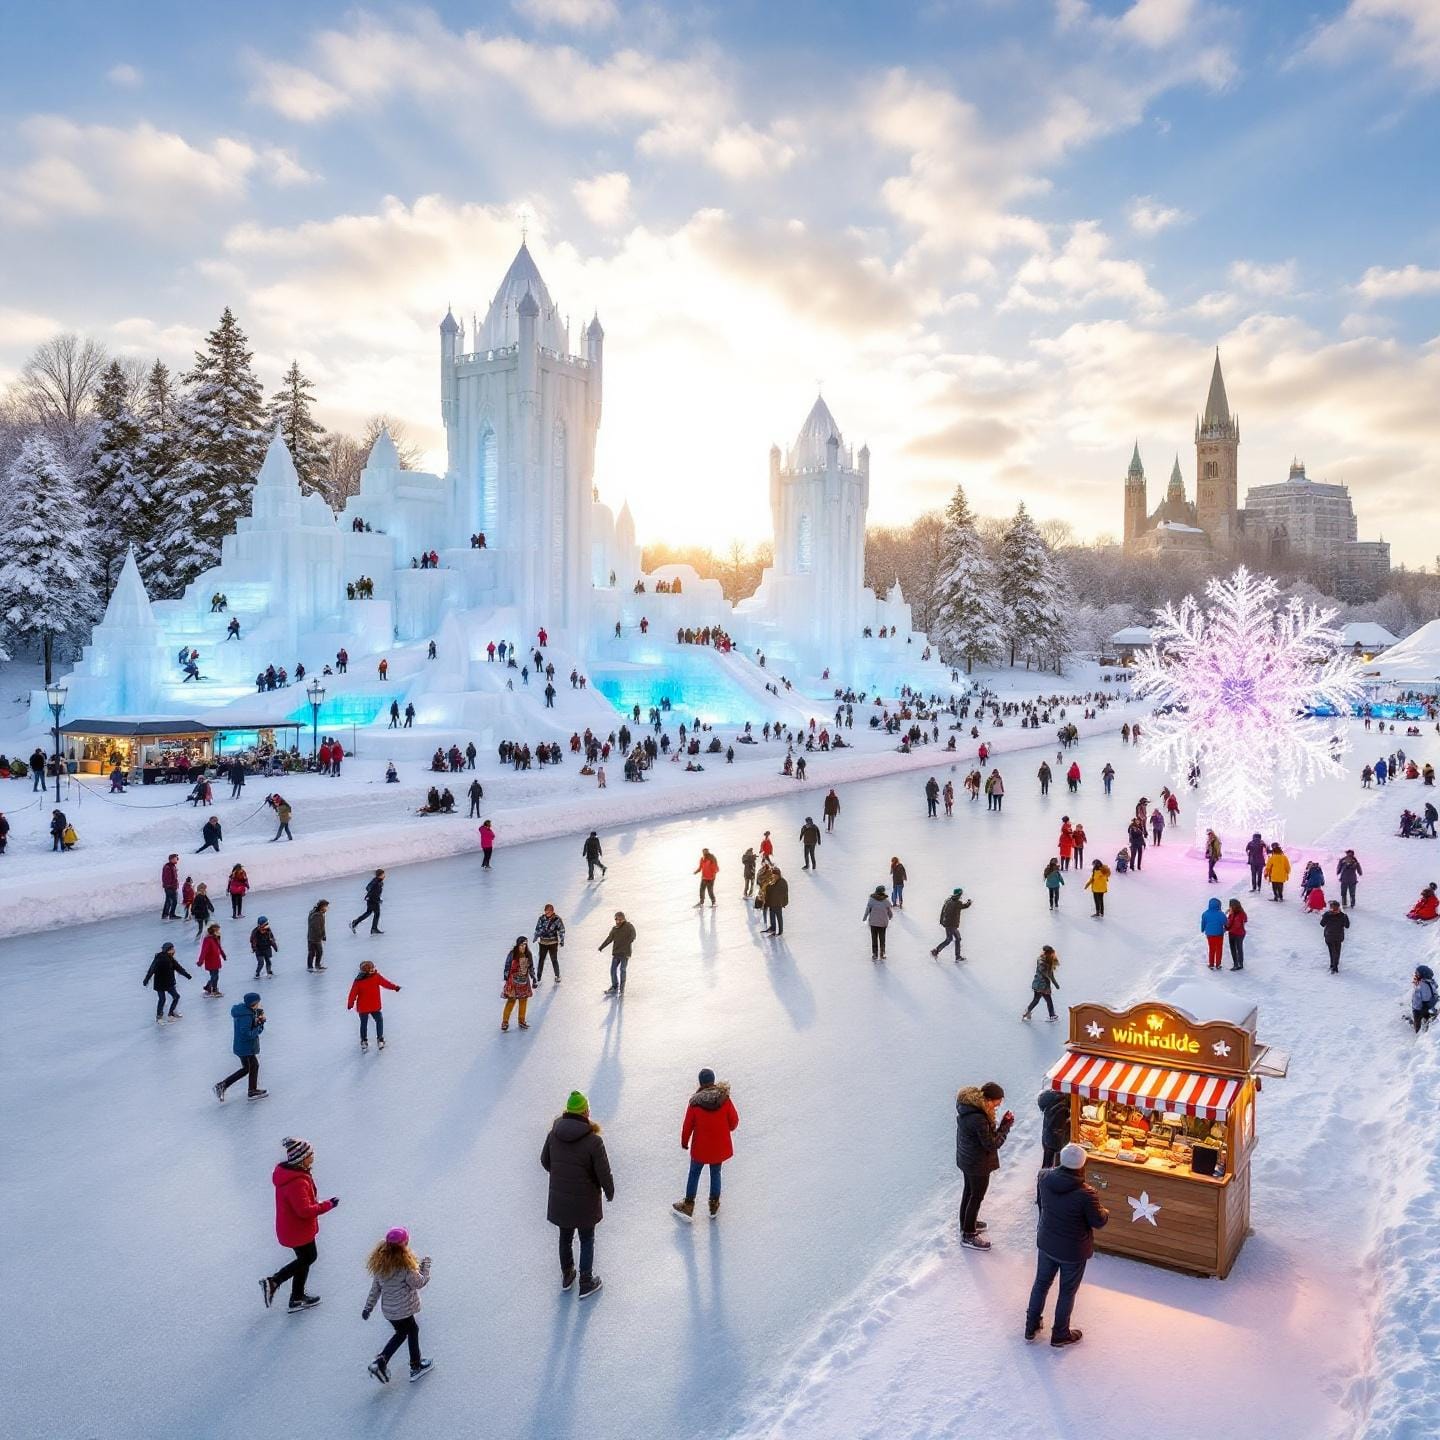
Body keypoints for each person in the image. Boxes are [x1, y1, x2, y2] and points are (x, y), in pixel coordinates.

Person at [1025, 1143, 1109, 1348]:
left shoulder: (1044, 1178)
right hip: (1073, 1251)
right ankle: (1060, 1333)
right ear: (1081, 1166)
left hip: (1047, 1242)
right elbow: (1098, 1221)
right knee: (1067, 1291)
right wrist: (1105, 1211)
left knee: (1041, 1284)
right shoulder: (1086, 1194)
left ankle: (1031, 1326)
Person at [540, 1091, 614, 1299]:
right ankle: (586, 1281)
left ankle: (567, 1275)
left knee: (565, 1237)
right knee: (587, 1238)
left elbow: (545, 1161)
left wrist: (561, 1177)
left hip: (561, 1199)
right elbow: (602, 1172)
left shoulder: (553, 1135)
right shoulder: (593, 1141)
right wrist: (609, 1191)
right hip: (585, 1200)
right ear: (583, 1112)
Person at [259, 1138, 337, 1314]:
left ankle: (296, 1297)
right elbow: (304, 1211)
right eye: (310, 1154)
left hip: (291, 1228)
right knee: (308, 1257)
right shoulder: (297, 1182)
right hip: (297, 1231)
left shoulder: (293, 1175)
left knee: (305, 1259)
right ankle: (274, 1281)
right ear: (302, 1158)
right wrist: (328, 1205)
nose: (313, 1156)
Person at [364, 1228, 434, 1384]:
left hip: (390, 1312)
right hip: (404, 1310)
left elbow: (375, 1288)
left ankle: (381, 1361)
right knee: (412, 1330)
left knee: (402, 1333)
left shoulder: (382, 1265)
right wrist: (426, 1267)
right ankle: (415, 1366)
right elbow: (419, 1283)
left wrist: (368, 1307)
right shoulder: (405, 1267)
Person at [672, 1068, 740, 1221]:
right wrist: (724, 1129)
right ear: (713, 1080)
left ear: (700, 1082)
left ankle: (688, 1205)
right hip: (719, 1148)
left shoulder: (695, 1103)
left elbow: (687, 1125)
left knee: (694, 1173)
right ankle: (714, 1204)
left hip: (700, 1149)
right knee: (715, 1173)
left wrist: (684, 1142)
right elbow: (734, 1122)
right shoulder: (724, 1099)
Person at [954, 1080, 1014, 1249]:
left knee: (969, 1192)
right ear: (988, 1099)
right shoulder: (979, 1118)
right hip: (977, 1163)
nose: (998, 1105)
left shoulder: (969, 1110)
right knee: (976, 1196)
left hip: (967, 1159)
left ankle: (966, 1224)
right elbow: (991, 1144)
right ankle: (968, 1235)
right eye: (997, 1102)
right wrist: (1005, 1126)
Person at [214, 991, 267, 1101]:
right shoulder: (246, 1016)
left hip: (242, 1047)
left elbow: (249, 1028)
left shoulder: (245, 1011)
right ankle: (251, 1091)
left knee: (247, 1068)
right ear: (253, 1003)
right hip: (246, 1048)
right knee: (253, 1066)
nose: (259, 1005)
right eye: (258, 1003)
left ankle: (222, 1086)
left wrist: (257, 1021)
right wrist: (260, 1026)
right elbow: (247, 1034)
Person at [349, 959, 400, 1049]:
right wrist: (394, 987)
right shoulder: (376, 977)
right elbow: (386, 983)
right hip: (374, 1006)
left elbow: (353, 993)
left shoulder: (358, 981)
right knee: (379, 1020)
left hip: (363, 1007)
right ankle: (380, 1039)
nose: (374, 969)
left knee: (364, 1023)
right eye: (372, 968)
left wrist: (350, 1004)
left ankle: (364, 1041)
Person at [143, 941, 191, 1024]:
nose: (174, 950)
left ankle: (171, 1014)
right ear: (168, 950)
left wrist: (187, 975)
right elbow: (152, 969)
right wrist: (146, 979)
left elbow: (178, 968)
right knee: (162, 999)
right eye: (172, 949)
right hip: (160, 984)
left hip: (169, 983)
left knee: (176, 997)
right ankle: (159, 1017)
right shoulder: (159, 959)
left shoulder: (170, 958)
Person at [501, 938, 535, 1031]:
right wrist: (506, 977)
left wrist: (533, 978)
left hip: (523, 982)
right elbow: (507, 966)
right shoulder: (512, 954)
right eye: (521, 945)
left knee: (523, 1001)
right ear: (517, 945)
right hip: (513, 982)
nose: (523, 947)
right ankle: (505, 1022)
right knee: (511, 1001)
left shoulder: (528, 954)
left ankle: (521, 1021)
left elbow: (531, 967)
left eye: (525, 945)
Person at [599, 912, 636, 995]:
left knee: (622, 970)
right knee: (612, 970)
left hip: (625, 953)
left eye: (619, 919)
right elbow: (609, 939)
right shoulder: (614, 929)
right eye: (616, 919)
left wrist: (627, 942)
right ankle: (614, 986)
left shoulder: (629, 926)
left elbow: (633, 935)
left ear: (623, 918)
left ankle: (622, 990)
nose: (617, 921)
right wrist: (601, 947)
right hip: (616, 953)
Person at [931, 887, 971, 960]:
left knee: (957, 938)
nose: (961, 896)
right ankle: (936, 951)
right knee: (949, 939)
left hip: (948, 923)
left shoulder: (948, 901)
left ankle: (957, 956)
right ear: (958, 894)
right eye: (961, 894)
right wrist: (969, 902)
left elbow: (943, 911)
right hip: (951, 924)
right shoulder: (957, 903)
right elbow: (964, 906)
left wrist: (942, 921)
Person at [1022, 946, 1061, 1020]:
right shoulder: (1044, 963)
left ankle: (1027, 1012)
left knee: (1036, 1000)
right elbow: (1049, 975)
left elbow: (1050, 975)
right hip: (1043, 986)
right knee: (1048, 1000)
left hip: (1037, 984)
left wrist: (1055, 984)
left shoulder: (1041, 960)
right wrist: (1056, 984)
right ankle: (1052, 1015)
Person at [1036, 1088, 1070, 1169]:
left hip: (1048, 1137)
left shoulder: (1048, 1097)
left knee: (1047, 1164)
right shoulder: (1066, 1100)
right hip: (1058, 1139)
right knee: (1056, 1165)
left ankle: (1044, 1178)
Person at [862, 885, 894, 959]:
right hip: (883, 923)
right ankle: (882, 953)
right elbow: (890, 913)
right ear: (883, 892)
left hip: (873, 923)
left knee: (874, 938)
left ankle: (875, 954)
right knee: (882, 939)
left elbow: (867, 910)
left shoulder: (871, 900)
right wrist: (890, 917)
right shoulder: (886, 901)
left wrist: (864, 918)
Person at [351, 869, 385, 934]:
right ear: (380, 875)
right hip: (372, 900)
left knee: (370, 912)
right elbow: (368, 887)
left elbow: (376, 892)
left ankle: (356, 922)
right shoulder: (375, 881)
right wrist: (370, 893)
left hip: (373, 899)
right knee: (375, 913)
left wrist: (378, 899)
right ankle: (373, 928)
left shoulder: (379, 881)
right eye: (383, 874)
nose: (384, 876)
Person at [1320, 899, 1351, 972]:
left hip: (1329, 935)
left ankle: (1333, 965)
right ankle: (1335, 965)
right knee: (1337, 951)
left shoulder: (1327, 915)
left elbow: (1322, 924)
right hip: (1339, 936)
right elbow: (1347, 926)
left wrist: (1324, 916)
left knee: (1331, 951)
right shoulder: (1343, 916)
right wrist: (1346, 918)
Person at [198, 922, 225, 996]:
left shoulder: (215, 938)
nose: (219, 932)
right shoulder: (207, 940)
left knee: (214, 976)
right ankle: (214, 990)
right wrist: (200, 961)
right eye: (217, 930)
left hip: (216, 960)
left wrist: (223, 955)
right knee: (215, 976)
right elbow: (204, 951)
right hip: (211, 961)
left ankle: (208, 987)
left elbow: (219, 947)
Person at [1200, 897, 1227, 970]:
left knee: (1211, 948)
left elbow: (1203, 923)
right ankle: (1218, 964)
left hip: (1209, 934)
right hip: (1219, 934)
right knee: (1219, 949)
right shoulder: (1220, 914)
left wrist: (1202, 929)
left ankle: (1211, 964)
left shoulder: (1205, 913)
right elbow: (1225, 922)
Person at [763, 866, 789, 936]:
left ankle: (780, 931)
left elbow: (782, 892)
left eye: (775, 875)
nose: (774, 876)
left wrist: (784, 903)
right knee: (772, 917)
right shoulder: (773, 881)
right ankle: (773, 929)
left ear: (779, 875)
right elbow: (770, 892)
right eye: (773, 875)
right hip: (772, 903)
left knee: (779, 918)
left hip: (778, 904)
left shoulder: (782, 882)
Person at [1411, 965, 1438, 1033]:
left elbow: (1427, 997)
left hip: (1424, 1007)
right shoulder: (1425, 982)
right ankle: (1413, 1023)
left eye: (1418, 973)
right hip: (1422, 1007)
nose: (1416, 975)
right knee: (1419, 1026)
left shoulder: (1425, 983)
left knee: (1421, 1026)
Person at [306, 900, 328, 972]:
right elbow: (316, 928)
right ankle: (312, 966)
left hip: (314, 937)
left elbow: (322, 926)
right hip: (314, 938)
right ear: (322, 907)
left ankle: (315, 966)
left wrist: (323, 935)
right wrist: (321, 936)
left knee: (316, 952)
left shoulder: (319, 914)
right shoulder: (316, 915)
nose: (327, 908)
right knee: (315, 952)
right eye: (326, 907)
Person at [1226, 898, 1247, 971]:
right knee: (1239, 948)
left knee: (1234, 949)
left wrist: (1226, 928)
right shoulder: (1242, 912)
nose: (1229, 907)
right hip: (1241, 933)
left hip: (1235, 934)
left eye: (1230, 906)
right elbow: (1245, 920)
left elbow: (1230, 924)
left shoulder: (1236, 915)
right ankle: (1240, 963)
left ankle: (1236, 964)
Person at [160, 854, 181, 920]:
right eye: (175, 858)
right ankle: (171, 915)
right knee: (173, 901)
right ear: (171, 859)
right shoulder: (168, 867)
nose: (177, 859)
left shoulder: (172, 866)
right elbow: (167, 878)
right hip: (170, 887)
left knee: (169, 901)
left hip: (171, 887)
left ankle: (165, 915)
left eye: (177, 858)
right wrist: (170, 886)